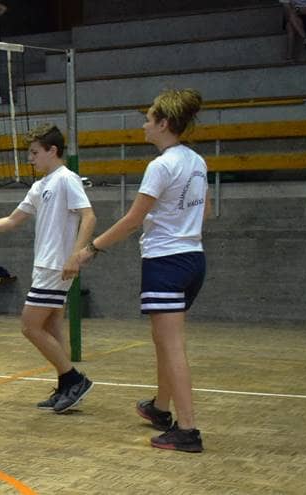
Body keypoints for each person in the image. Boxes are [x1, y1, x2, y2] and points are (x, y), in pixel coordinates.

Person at [68, 89, 209, 453]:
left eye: (148, 119)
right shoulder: (196, 161)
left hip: (166, 263)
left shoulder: (161, 166)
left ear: (164, 124)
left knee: (172, 345)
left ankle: (188, 430)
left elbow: (133, 220)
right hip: (193, 258)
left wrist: (90, 249)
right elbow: (205, 211)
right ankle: (160, 408)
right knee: (164, 341)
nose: (144, 125)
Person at [0, 123, 96, 412]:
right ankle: (66, 385)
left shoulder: (66, 179)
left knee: (29, 326)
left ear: (53, 150)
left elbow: (88, 217)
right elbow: (12, 220)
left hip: (56, 266)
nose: (30, 158)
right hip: (44, 265)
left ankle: (75, 379)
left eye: (35, 152)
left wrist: (76, 256)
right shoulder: (40, 186)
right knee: (51, 326)